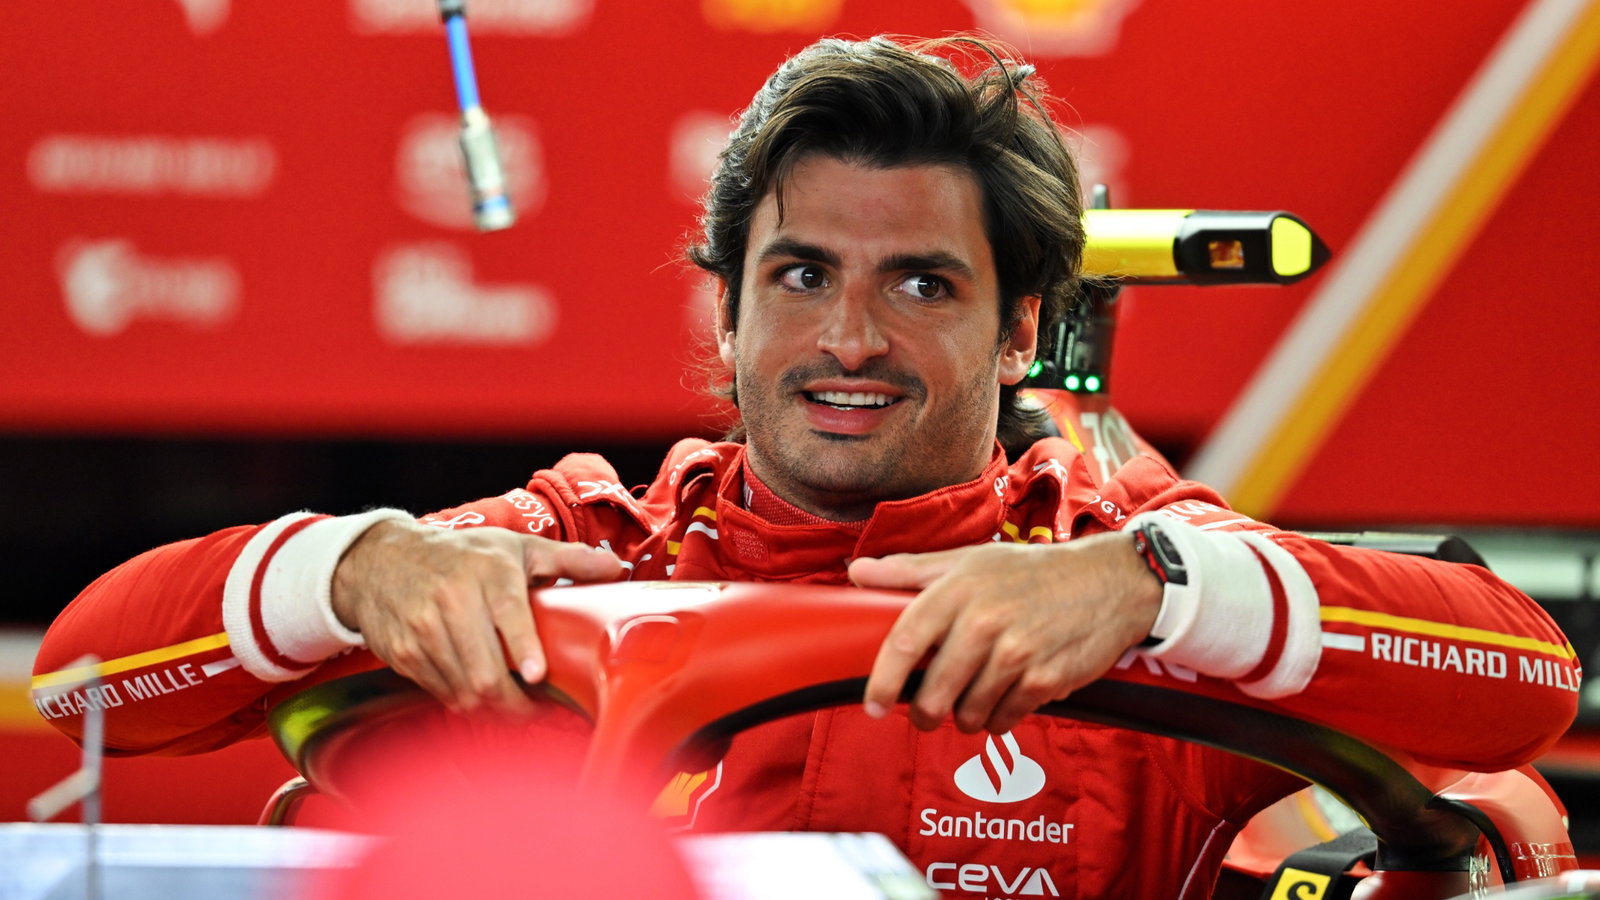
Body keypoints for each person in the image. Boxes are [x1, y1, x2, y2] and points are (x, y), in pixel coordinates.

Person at [33, 35, 1578, 899]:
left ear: (1022, 322)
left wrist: (1150, 591)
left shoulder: (1120, 558)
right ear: (724, 301)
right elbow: (82, 689)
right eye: (798, 275)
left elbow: (1522, 685)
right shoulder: (585, 543)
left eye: (922, 283)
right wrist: (352, 567)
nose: (850, 336)